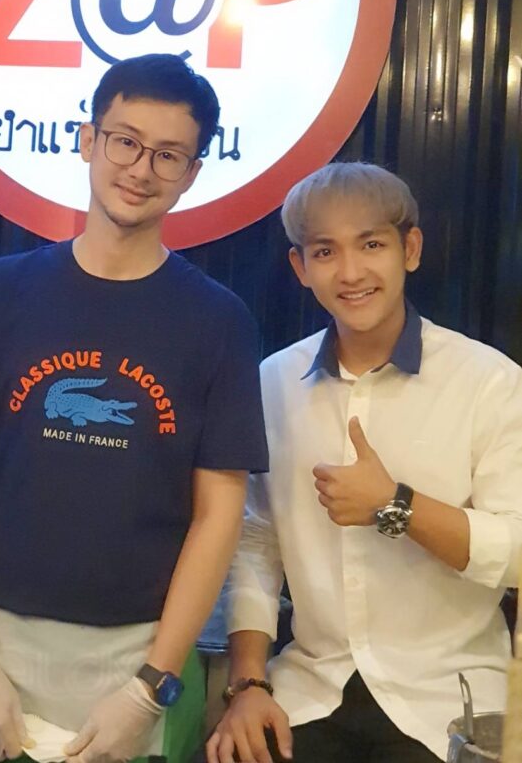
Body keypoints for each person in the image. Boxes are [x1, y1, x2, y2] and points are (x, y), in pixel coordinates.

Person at [0, 53, 268, 763]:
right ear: (87, 139)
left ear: (193, 172)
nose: (140, 169)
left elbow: (218, 516)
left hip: (137, 662)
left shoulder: (218, 321)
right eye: (125, 141)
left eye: (168, 155)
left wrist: (150, 688)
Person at [208, 161, 522, 763]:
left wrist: (396, 505)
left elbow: (516, 553)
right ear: (301, 268)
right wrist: (248, 684)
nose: (350, 272)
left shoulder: (489, 381)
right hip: (309, 688)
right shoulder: (273, 383)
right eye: (325, 251)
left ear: (411, 249)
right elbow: (256, 542)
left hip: (448, 701)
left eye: (371, 244)